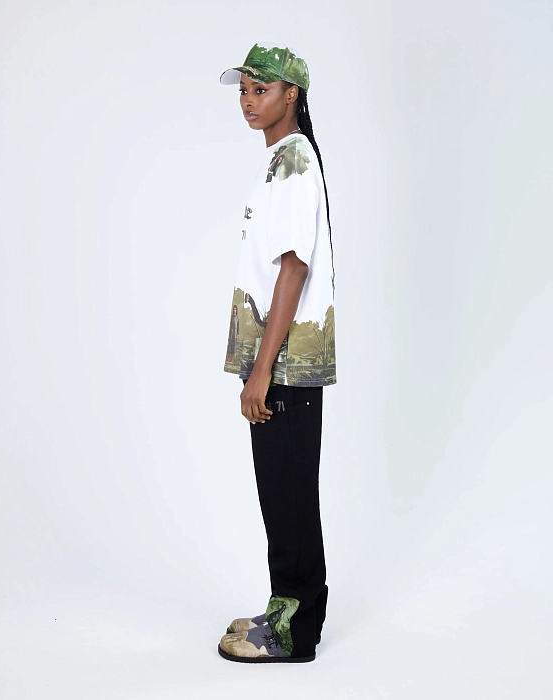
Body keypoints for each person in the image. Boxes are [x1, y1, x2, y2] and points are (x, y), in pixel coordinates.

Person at [217, 41, 337, 664]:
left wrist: (261, 370)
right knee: (285, 491)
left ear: (292, 95)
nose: (247, 100)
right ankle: (290, 611)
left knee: (287, 494)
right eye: (243, 89)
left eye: (260, 89)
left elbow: (294, 266)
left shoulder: (293, 160)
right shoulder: (283, 158)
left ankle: (292, 634)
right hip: (280, 361)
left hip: (284, 365)